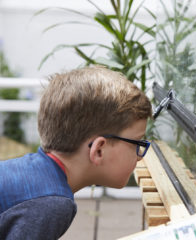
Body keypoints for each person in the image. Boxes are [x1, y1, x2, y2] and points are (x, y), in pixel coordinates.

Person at [0, 66, 152, 239]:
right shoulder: (52, 202)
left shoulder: (33, 176)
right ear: (99, 150)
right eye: (137, 143)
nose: (140, 155)